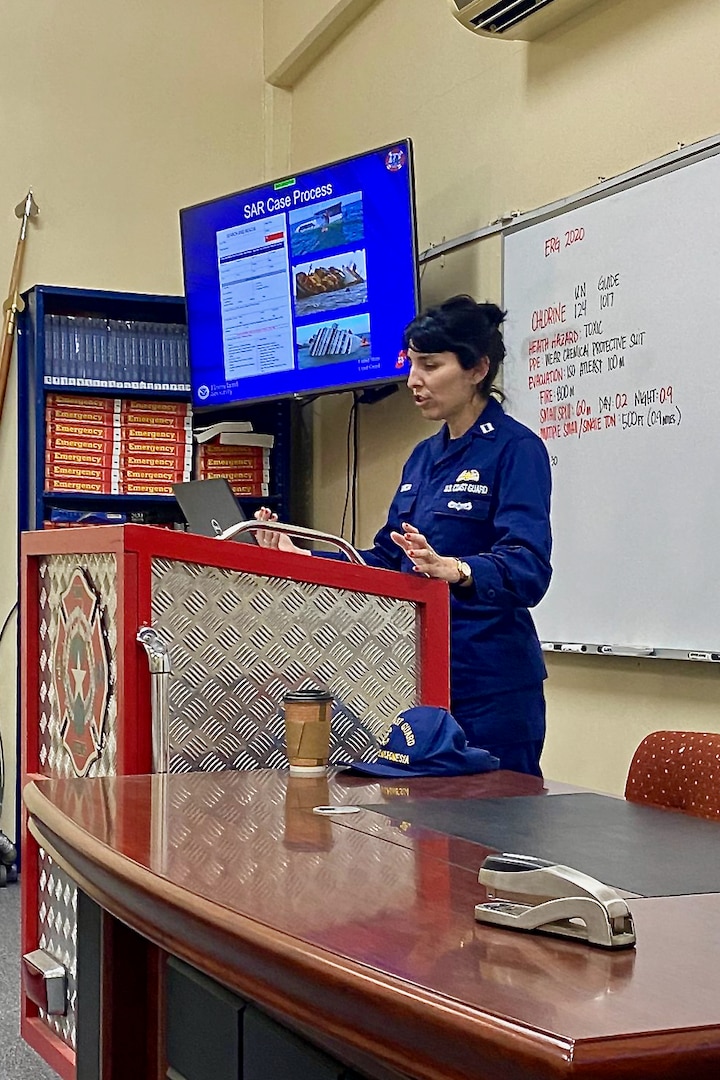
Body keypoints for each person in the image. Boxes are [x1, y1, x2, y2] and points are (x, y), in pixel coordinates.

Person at [255, 295, 552, 776]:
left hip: (489, 686)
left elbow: (528, 569)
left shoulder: (516, 450)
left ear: (477, 369)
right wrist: (302, 556)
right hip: (419, 673)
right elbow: (384, 559)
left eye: (430, 366)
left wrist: (454, 570)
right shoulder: (422, 456)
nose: (413, 381)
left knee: (492, 831)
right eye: (411, 364)